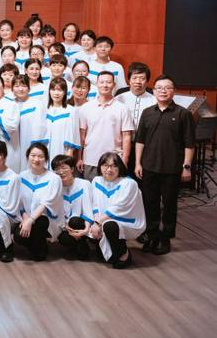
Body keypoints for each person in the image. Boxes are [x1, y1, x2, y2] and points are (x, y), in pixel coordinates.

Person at [135, 74, 195, 255]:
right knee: (149, 203)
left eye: (167, 87)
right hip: (149, 166)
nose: (163, 91)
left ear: (173, 91)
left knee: (169, 205)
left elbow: (189, 143)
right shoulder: (147, 112)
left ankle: (165, 238)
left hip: (172, 168)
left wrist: (186, 166)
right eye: (159, 87)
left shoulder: (183, 114)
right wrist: (138, 163)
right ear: (154, 91)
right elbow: (140, 141)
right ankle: (152, 236)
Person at [90, 152, 146, 268]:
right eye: (105, 165)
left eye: (113, 166)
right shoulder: (97, 181)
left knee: (110, 226)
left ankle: (124, 254)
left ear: (120, 167)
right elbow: (94, 204)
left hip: (125, 220)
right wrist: (95, 221)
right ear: (100, 166)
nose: (109, 169)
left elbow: (120, 207)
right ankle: (110, 249)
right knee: (103, 256)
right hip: (102, 220)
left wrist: (98, 222)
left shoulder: (129, 183)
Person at [77, 71, 134, 180]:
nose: (105, 85)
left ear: (114, 84)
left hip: (114, 161)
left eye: (108, 82)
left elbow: (127, 136)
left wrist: (124, 160)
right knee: (91, 193)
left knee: (112, 194)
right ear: (97, 84)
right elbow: (82, 135)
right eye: (102, 82)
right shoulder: (86, 107)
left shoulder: (122, 108)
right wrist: (79, 157)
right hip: (90, 160)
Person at [15, 142, 64, 261]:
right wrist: (26, 218)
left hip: (46, 220)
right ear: (28, 157)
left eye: (40, 156)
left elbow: (46, 204)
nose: (36, 159)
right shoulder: (21, 177)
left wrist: (30, 221)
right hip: (26, 218)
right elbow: (19, 202)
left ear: (46, 159)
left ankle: (40, 247)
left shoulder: (53, 179)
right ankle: (36, 246)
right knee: (18, 237)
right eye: (33, 155)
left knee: (41, 222)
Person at [53, 154, 95, 260]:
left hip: (82, 223)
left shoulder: (84, 184)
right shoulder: (55, 188)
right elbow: (56, 212)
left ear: (72, 169)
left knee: (75, 221)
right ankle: (74, 246)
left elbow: (88, 209)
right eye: (57, 169)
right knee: (63, 238)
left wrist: (86, 229)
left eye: (63, 168)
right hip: (65, 226)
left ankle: (82, 242)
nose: (60, 172)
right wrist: (64, 226)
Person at [44, 77, 81, 163]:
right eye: (53, 90)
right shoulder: (44, 109)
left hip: (62, 151)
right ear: (49, 91)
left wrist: (68, 157)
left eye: (60, 90)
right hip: (45, 151)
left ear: (65, 92)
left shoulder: (71, 111)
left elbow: (73, 136)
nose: (56, 93)